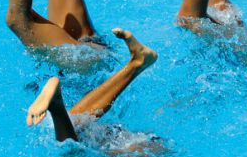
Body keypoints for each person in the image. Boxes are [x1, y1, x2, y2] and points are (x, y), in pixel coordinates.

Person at [26, 29, 157, 141]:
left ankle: (137, 63)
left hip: (127, 141)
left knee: (76, 128)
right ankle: (57, 107)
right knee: (74, 156)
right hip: (136, 148)